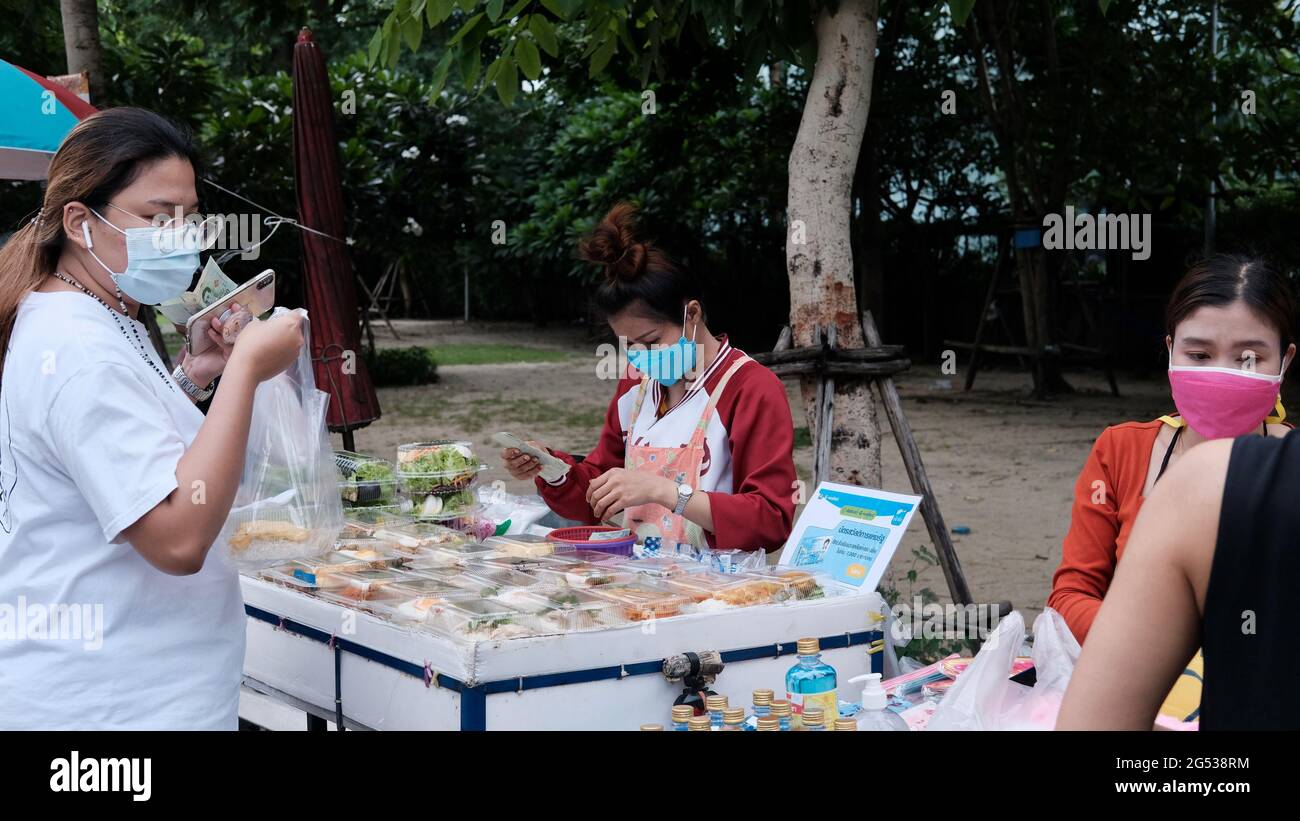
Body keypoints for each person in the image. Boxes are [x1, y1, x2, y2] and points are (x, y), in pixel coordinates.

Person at [0, 108, 304, 729]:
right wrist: (246, 368)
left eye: (190, 218)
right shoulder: (79, 348)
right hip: (110, 706)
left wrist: (195, 378)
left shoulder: (95, 313)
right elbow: (176, 539)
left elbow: (116, 452)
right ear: (80, 222)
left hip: (125, 686)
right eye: (156, 218)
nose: (181, 236)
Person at [500, 203, 797, 552]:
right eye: (631, 346)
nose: (643, 357)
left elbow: (771, 519)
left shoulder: (749, 388)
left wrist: (664, 491)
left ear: (693, 314)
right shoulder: (636, 386)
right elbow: (597, 496)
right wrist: (552, 469)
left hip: (720, 592)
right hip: (641, 587)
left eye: (652, 341)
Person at [1048, 255, 1294, 643]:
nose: (1220, 373)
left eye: (1249, 358)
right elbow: (1070, 597)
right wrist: (1152, 648)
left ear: (1285, 361)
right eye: (1198, 355)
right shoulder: (1120, 451)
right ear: (1170, 351)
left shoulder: (1293, 466)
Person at [1056, 430, 1300, 730]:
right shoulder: (1123, 447)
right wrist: (1156, 638)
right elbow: (1069, 595)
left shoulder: (1201, 483)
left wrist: (1147, 638)